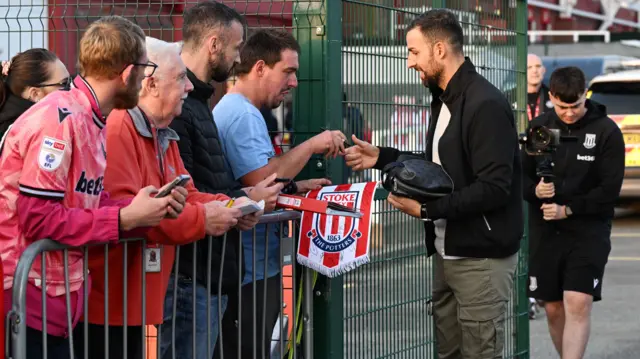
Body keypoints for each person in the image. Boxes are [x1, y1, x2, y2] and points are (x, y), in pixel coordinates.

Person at [0, 15, 186, 359]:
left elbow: (85, 202)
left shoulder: (90, 116)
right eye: (146, 70)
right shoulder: (60, 120)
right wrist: (124, 220)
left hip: (55, 302)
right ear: (128, 73)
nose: (145, 80)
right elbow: (37, 219)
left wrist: (140, 209)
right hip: (26, 301)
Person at [344, 9, 523, 358]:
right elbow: (440, 166)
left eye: (414, 52)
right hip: (448, 254)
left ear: (439, 49)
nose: (410, 63)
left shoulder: (484, 103)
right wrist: (383, 156)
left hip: (480, 260)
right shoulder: (445, 97)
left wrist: (427, 209)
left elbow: (495, 187)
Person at [75, 37, 257, 359]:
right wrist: (205, 218)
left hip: (135, 298)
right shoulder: (121, 128)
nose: (189, 87)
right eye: (180, 78)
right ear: (151, 83)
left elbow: (185, 194)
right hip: (110, 300)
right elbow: (135, 213)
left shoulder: (161, 132)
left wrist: (229, 206)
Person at [213, 28, 345, 358]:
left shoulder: (243, 110)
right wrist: (313, 145)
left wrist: (295, 188)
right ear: (259, 67)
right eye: (288, 71)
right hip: (246, 269)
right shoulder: (242, 113)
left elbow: (255, 183)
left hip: (249, 266)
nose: (295, 82)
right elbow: (264, 178)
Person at [163, 2, 285, 359]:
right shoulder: (182, 105)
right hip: (193, 274)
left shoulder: (200, 102)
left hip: (211, 271)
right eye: (235, 48)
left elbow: (205, 182)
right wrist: (240, 200)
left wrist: (244, 197)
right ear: (214, 44)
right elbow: (184, 190)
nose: (237, 59)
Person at [522, 66, 624, 359]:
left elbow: (609, 191)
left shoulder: (605, 131)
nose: (569, 113)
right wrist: (535, 191)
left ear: (586, 96)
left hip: (588, 231)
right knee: (553, 307)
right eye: (563, 106)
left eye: (576, 105)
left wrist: (568, 209)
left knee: (578, 301)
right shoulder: (540, 128)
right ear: (551, 96)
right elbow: (521, 179)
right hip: (546, 233)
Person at [0, 48, 70, 140]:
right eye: (64, 84)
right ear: (35, 94)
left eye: (70, 81)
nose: (70, 89)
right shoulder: (24, 131)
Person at [526, 54, 552, 122]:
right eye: (529, 67)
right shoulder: (510, 97)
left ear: (544, 70)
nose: (534, 70)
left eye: (538, 66)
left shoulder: (553, 96)